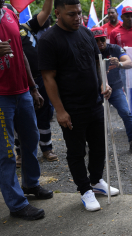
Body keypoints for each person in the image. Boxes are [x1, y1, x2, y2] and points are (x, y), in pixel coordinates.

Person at [38, 0, 120, 212]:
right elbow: (48, 78)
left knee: (98, 146)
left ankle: (96, 181)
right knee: (76, 152)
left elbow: (96, 61)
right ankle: (85, 190)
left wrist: (104, 82)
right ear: (57, 13)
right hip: (71, 108)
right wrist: (60, 110)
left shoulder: (85, 33)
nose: (77, 18)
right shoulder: (48, 40)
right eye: (71, 14)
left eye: (80, 13)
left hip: (95, 102)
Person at [0, 1, 53, 221]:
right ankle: (16, 203)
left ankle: (31, 184)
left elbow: (20, 53)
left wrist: (33, 87)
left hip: (22, 92)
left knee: (30, 141)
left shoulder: (8, 11)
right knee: (6, 153)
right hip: (1, 97)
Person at [91, 27, 132, 154]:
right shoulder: (89, 51)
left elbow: (129, 63)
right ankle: (94, 143)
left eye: (102, 40)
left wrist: (119, 64)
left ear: (106, 38)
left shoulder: (114, 48)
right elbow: (97, 70)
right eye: (97, 41)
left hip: (115, 88)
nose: (100, 43)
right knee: (95, 117)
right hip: (95, 89)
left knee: (126, 113)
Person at [16, 0, 57, 164]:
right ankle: (20, 153)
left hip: (39, 78)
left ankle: (46, 148)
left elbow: (46, 12)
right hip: (18, 81)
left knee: (43, 113)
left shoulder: (26, 27)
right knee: (18, 119)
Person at [110, 6, 132, 94]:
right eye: (127, 16)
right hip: (123, 67)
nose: (130, 18)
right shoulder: (115, 32)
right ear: (122, 17)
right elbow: (112, 50)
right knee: (127, 91)